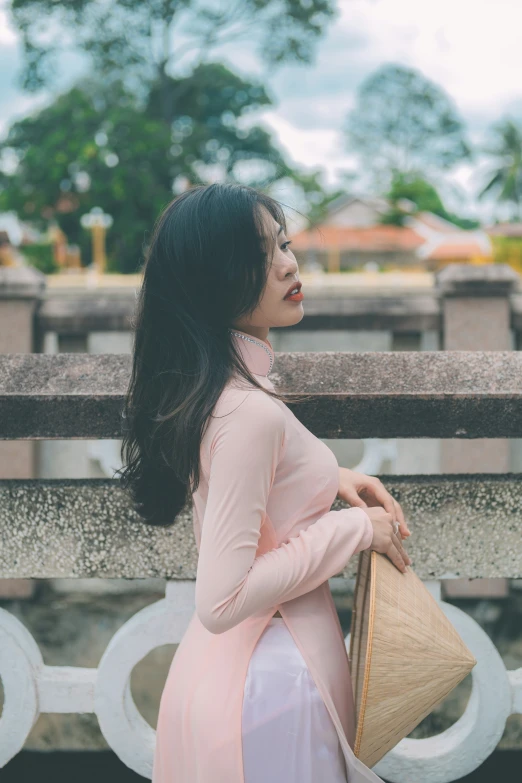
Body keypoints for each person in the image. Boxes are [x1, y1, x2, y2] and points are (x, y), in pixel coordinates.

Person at [118, 182, 411, 783]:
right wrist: (356, 528)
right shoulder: (249, 410)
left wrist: (331, 477)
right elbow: (223, 599)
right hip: (271, 690)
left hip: (245, 676)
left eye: (283, 243)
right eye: (258, 255)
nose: (287, 263)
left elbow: (253, 482)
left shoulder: (220, 391)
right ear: (210, 280)